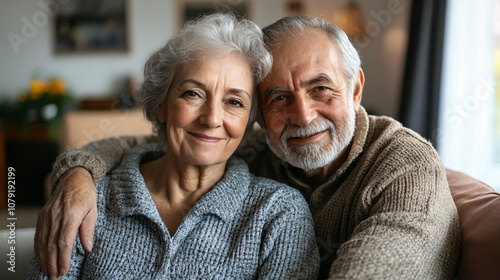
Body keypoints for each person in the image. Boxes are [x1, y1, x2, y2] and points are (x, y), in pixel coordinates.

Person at [35, 16, 461, 279]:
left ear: (355, 90)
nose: (304, 115)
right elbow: (148, 144)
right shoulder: (259, 147)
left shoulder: (405, 168)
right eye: (278, 97)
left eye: (321, 89)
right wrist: (78, 173)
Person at [28, 13, 319, 279]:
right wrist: (76, 173)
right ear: (162, 106)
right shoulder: (88, 199)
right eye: (193, 93)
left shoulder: (278, 214)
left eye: (234, 102)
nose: (212, 119)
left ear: (250, 121)